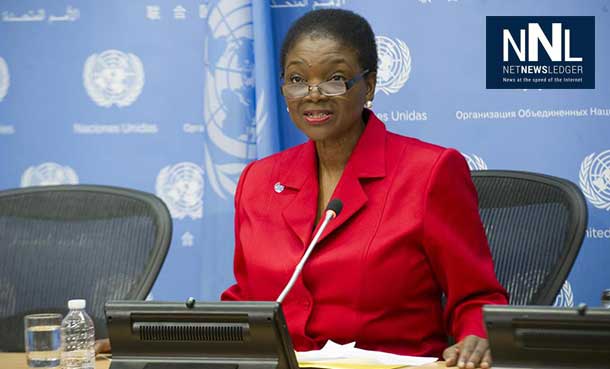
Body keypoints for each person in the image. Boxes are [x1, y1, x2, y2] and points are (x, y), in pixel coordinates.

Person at [221, 8, 508, 369]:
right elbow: (245, 301)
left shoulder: (429, 173)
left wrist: (476, 337)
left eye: (335, 79)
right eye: (296, 79)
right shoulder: (259, 181)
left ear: (368, 85)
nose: (313, 94)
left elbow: (478, 298)